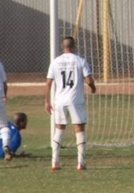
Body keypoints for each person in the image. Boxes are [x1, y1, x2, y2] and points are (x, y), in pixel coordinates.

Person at [45, 36, 96, 171]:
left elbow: (48, 82)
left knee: (59, 128)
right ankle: (81, 163)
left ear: (62, 47)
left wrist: (47, 101)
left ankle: (55, 162)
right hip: (75, 100)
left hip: (60, 101)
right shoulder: (80, 60)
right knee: (79, 128)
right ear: (74, 46)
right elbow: (88, 80)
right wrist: (93, 88)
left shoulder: (55, 62)